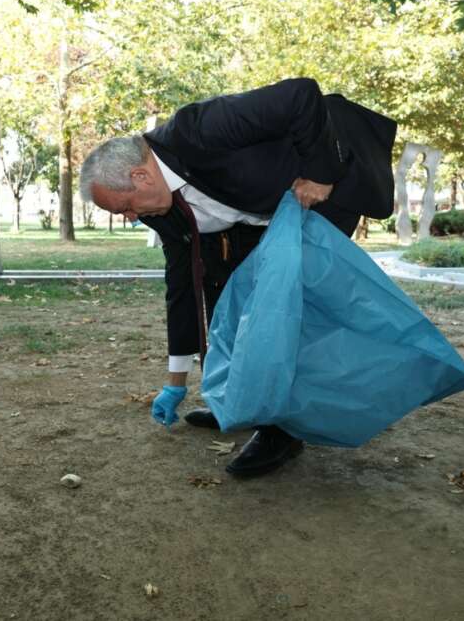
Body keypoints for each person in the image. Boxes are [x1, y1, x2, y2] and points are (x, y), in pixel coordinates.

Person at [79, 77, 397, 478]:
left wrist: (321, 172)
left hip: (330, 177)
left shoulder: (199, 130)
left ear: (141, 177)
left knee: (286, 306)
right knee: (229, 296)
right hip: (264, 212)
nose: (128, 218)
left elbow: (301, 95)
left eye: (124, 207)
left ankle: (281, 430)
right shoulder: (160, 209)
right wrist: (175, 379)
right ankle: (242, 400)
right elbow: (184, 287)